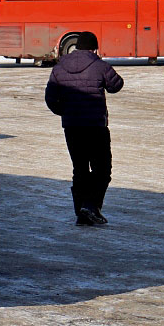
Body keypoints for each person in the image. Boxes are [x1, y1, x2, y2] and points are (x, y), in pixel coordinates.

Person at [44, 31, 123, 227]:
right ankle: (90, 207)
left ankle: (82, 213)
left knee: (80, 169)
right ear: (94, 48)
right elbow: (116, 85)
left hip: (72, 127)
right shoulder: (99, 66)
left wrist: (65, 112)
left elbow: (50, 98)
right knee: (102, 170)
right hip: (96, 126)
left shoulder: (59, 67)